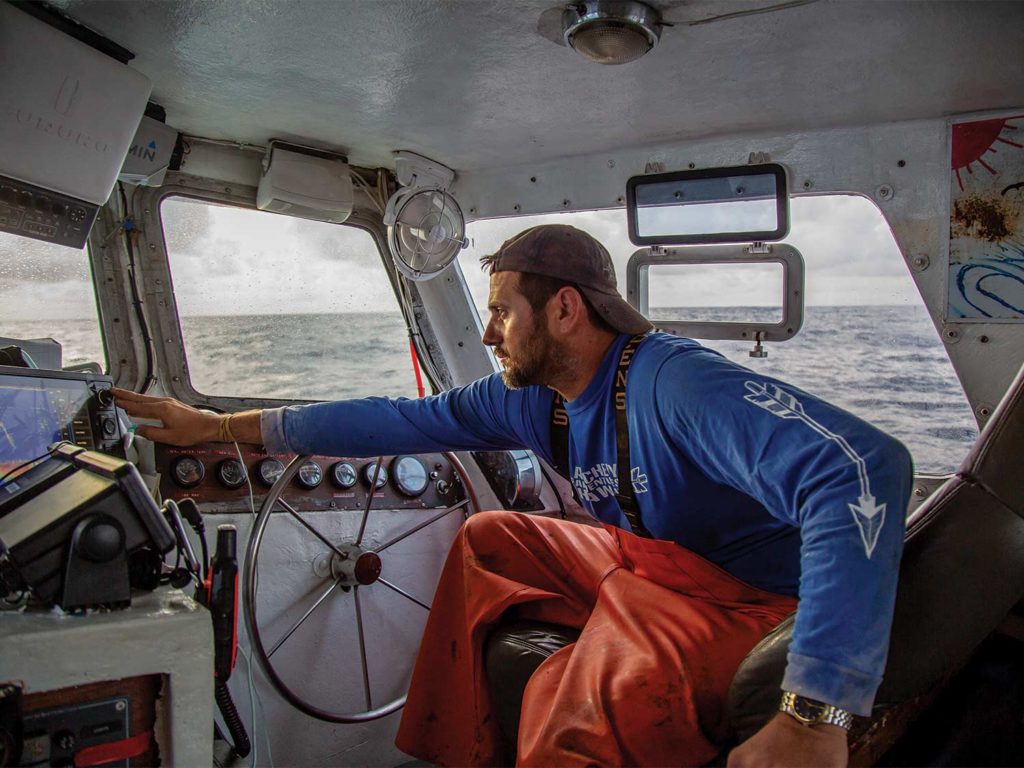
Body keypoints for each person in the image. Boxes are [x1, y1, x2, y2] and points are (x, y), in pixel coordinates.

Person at [113, 224, 912, 768]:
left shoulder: (678, 384)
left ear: (564, 310)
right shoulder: (539, 398)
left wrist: (817, 712)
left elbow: (861, 470)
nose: (490, 331)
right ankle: (463, 749)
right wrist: (219, 425)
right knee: (491, 535)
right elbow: (397, 419)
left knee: (580, 716)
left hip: (749, 597)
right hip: (656, 560)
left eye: (500, 311)